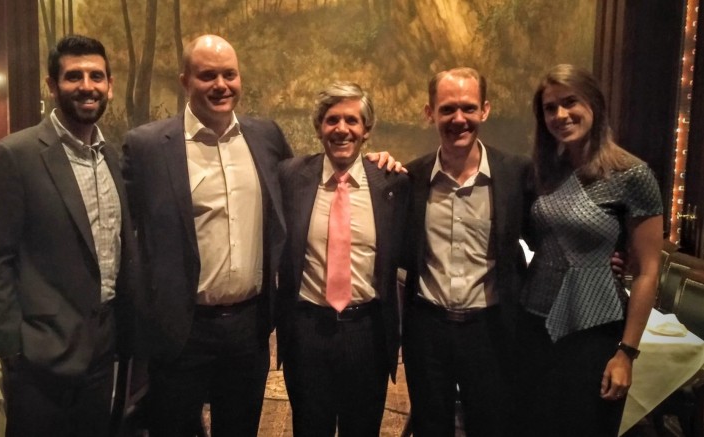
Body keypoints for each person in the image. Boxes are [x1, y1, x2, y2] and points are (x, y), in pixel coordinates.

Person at [122, 35, 398, 436]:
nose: (221, 84)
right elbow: (125, 238)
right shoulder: (147, 146)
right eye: (207, 75)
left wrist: (380, 162)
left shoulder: (264, 137)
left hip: (249, 330)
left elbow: (324, 175)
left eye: (229, 74)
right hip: (182, 331)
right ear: (185, 80)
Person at [0, 35, 139, 437]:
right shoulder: (15, 155)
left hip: (102, 350)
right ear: (52, 85)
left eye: (96, 76)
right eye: (74, 76)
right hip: (40, 359)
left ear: (110, 85)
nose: (87, 85)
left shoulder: (111, 158)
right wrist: (12, 351)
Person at [517, 64, 662, 436]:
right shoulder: (543, 172)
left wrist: (626, 353)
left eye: (570, 102)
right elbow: (538, 239)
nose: (561, 115)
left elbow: (648, 271)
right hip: (533, 328)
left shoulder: (632, 174)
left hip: (594, 334)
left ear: (594, 104)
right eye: (550, 108)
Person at [401, 68, 533, 437]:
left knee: (493, 425)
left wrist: (608, 254)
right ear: (430, 113)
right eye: (447, 110)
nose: (459, 119)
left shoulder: (516, 173)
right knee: (430, 427)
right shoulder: (410, 178)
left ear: (485, 110)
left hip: (491, 330)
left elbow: (550, 230)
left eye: (468, 108)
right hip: (427, 330)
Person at [276, 82, 410, 436]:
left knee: (362, 429)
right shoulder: (290, 176)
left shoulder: (392, 183)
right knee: (309, 427)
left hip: (367, 331)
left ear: (367, 131)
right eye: (332, 119)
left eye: (352, 120)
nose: (341, 129)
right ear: (319, 127)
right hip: (307, 330)